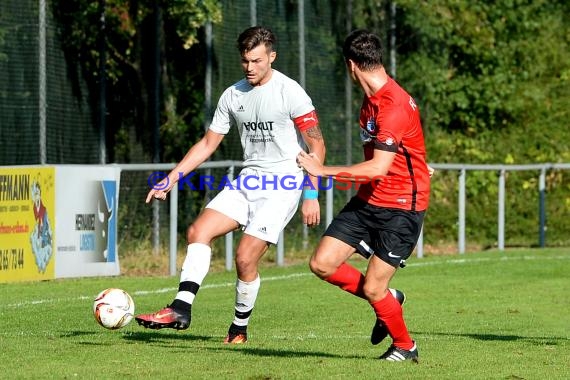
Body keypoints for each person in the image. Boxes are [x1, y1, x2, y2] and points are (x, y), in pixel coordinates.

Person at [136, 26, 326, 344]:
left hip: (283, 185)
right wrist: (170, 178)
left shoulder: (290, 92)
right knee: (198, 232)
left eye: (256, 60)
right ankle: (181, 309)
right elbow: (208, 144)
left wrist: (311, 193)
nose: (250, 67)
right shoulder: (233, 95)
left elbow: (317, 147)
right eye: (245, 61)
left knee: (244, 258)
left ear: (271, 57)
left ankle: (238, 329)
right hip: (248, 180)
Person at [296, 29, 431, 362]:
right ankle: (389, 300)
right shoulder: (369, 105)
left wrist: (322, 171)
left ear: (351, 65)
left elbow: (377, 168)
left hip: (402, 207)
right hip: (369, 201)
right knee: (322, 263)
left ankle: (405, 346)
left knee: (373, 287)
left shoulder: (393, 105)